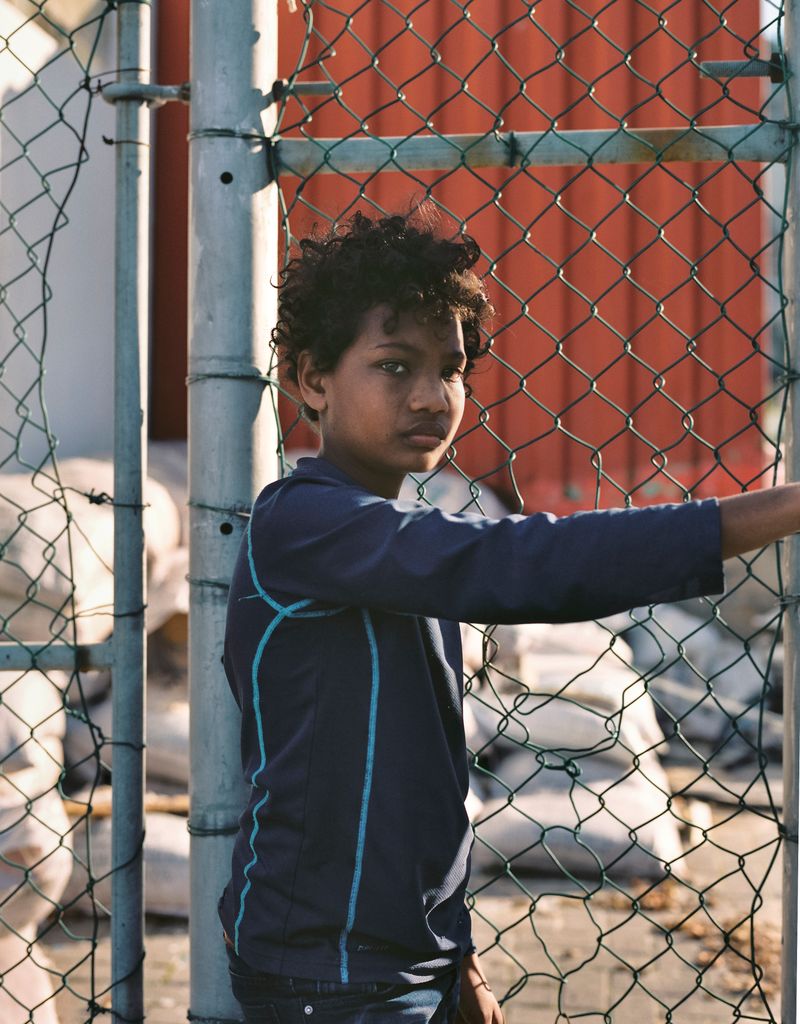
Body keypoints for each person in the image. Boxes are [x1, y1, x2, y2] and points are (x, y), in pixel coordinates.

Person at [219, 207, 799, 1023]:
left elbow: (424, 788)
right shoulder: (306, 525)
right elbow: (526, 563)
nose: (432, 395)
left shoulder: (394, 542)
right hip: (326, 972)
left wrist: (456, 960)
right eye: (393, 365)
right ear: (312, 378)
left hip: (404, 963)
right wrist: (781, 509)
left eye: (451, 369)